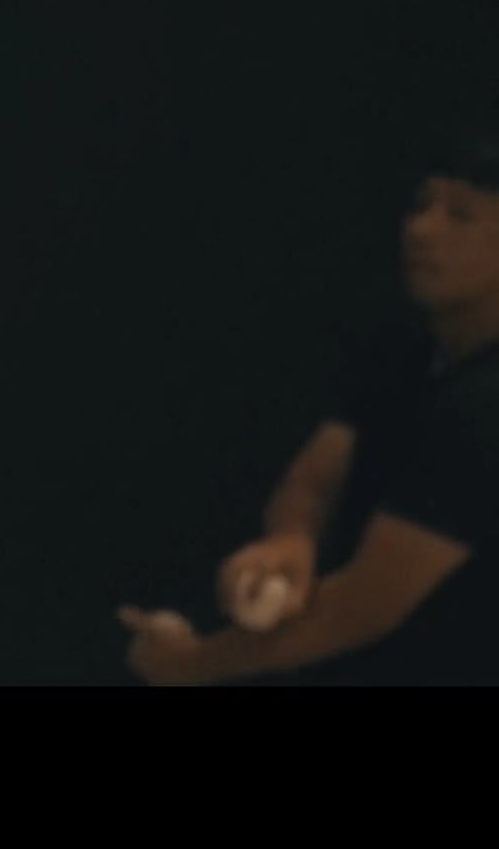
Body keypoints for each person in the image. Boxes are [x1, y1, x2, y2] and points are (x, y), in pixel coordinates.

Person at [120, 114, 499, 685]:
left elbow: (365, 606)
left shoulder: (485, 407)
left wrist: (191, 665)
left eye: (461, 215)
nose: (421, 229)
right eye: (422, 205)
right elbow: (317, 478)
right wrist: (290, 545)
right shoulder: (406, 348)